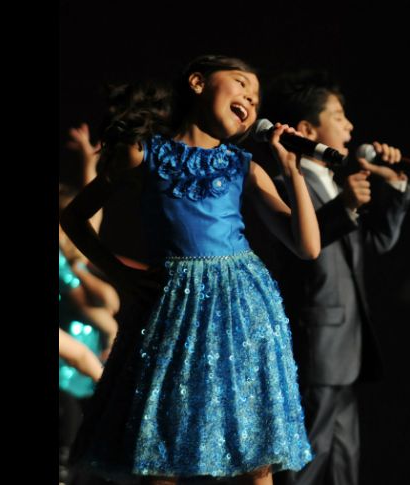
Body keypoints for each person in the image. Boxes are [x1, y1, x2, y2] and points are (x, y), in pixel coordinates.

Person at [60, 55, 321, 485]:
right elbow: (74, 218)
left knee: (254, 459)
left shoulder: (244, 166)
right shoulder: (143, 153)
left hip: (243, 314)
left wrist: (292, 170)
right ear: (198, 82)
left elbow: (307, 246)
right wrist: (120, 274)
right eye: (240, 85)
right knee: (160, 455)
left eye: (256, 99)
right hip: (174, 314)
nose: (250, 100)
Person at [261, 70, 410, 485]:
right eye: (339, 116)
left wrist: (394, 185)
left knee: (345, 465)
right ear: (308, 129)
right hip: (318, 347)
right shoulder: (284, 185)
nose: (349, 126)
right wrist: (344, 206)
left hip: (349, 349)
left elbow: (377, 242)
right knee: (305, 463)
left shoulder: (334, 182)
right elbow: (302, 245)